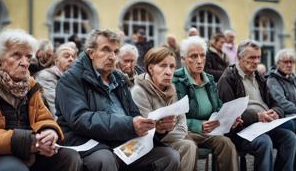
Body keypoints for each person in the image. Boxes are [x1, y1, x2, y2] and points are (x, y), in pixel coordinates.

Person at [55, 29, 180, 171]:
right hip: (87, 141)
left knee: (168, 156)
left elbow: (133, 114)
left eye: (115, 52)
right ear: (91, 53)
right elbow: (80, 119)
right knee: (105, 159)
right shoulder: (71, 79)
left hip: (121, 141)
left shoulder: (118, 78)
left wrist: (155, 128)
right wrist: (130, 125)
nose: (112, 57)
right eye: (106, 50)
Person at [0, 29, 82, 171]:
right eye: (16, 55)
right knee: (13, 168)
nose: (25, 63)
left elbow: (44, 117)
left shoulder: (29, 84)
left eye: (28, 57)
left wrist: (49, 132)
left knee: (69, 157)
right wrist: (27, 141)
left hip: (29, 149)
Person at [217, 39, 296, 171]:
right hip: (240, 130)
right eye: (252, 57)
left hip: (263, 126)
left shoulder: (259, 78)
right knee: (265, 142)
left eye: (258, 57)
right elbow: (229, 114)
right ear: (239, 57)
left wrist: (276, 112)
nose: (256, 61)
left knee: (290, 138)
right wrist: (256, 116)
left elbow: (275, 102)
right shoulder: (228, 78)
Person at [173, 36, 239, 171]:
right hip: (185, 130)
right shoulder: (176, 81)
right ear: (183, 59)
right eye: (193, 56)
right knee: (189, 146)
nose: (199, 60)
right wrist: (199, 125)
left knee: (227, 144)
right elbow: (174, 116)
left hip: (209, 130)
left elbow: (218, 106)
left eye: (202, 55)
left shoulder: (209, 79)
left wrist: (230, 118)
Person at [131, 46, 197, 171]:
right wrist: (162, 129)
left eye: (172, 67)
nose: (169, 72)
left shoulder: (172, 89)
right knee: (187, 145)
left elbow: (182, 125)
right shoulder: (139, 91)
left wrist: (166, 130)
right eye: (162, 66)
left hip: (167, 140)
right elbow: (146, 132)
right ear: (150, 68)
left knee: (189, 145)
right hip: (145, 146)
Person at [267, 49, 296, 170]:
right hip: (288, 117)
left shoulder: (295, 78)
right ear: (278, 63)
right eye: (285, 62)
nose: (289, 65)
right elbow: (281, 103)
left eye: (291, 62)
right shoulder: (273, 80)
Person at [35, 43, 76, 118]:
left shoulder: (72, 77)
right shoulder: (46, 77)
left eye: (73, 57)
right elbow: (55, 109)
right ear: (56, 61)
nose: (71, 59)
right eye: (66, 56)